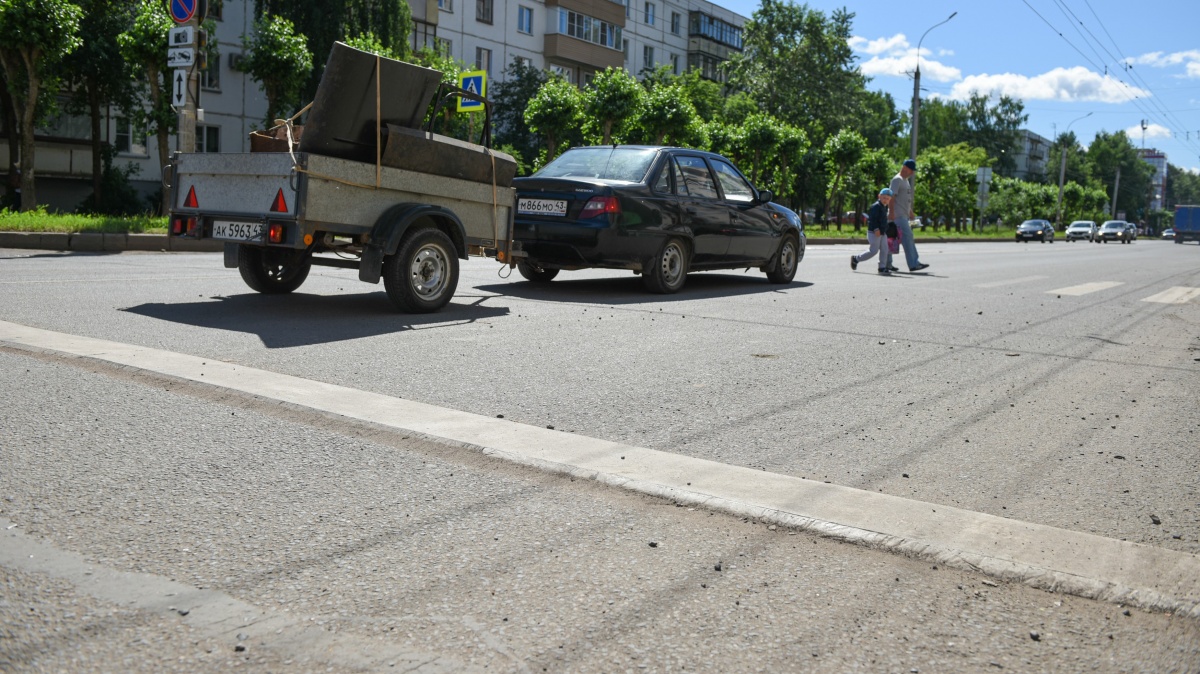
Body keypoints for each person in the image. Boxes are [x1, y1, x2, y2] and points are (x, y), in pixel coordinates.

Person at [889, 159, 929, 272]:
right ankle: (913, 264)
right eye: (911, 170)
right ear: (905, 167)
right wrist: (891, 212)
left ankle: (887, 264)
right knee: (908, 238)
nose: (912, 173)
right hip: (897, 216)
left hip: (903, 216)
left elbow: (904, 199)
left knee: (891, 239)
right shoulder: (897, 180)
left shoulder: (905, 180)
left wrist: (910, 212)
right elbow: (892, 197)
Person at [850, 187, 894, 274]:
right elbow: (872, 219)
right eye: (884, 198)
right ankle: (856, 258)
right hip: (874, 232)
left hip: (882, 232)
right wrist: (876, 229)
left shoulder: (884, 207)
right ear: (879, 196)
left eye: (888, 199)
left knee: (885, 249)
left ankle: (882, 267)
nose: (885, 200)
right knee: (873, 251)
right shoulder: (876, 206)